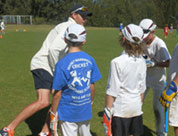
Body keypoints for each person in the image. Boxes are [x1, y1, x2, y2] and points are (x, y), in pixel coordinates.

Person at [0, 4, 92, 136]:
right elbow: (53, 50)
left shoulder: (71, 27)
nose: (84, 19)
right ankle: (8, 129)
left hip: (47, 65)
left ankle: (44, 131)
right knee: (43, 101)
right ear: (73, 15)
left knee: (57, 99)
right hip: (43, 64)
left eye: (85, 16)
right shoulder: (68, 27)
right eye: (82, 16)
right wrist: (58, 72)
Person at [49, 23, 101, 136]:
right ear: (83, 42)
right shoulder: (90, 60)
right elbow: (92, 85)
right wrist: (90, 102)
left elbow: (57, 93)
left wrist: (53, 113)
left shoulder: (61, 64)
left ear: (65, 39)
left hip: (67, 112)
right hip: (84, 109)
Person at [103, 24, 146, 136]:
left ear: (123, 39)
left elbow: (112, 91)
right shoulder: (142, 61)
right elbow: (142, 89)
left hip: (120, 111)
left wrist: (107, 115)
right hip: (136, 109)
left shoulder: (117, 62)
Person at [139, 18, 171, 136]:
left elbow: (169, 62)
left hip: (158, 81)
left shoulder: (160, 43)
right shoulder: (141, 41)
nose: (144, 37)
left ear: (153, 31)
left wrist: (155, 64)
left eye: (147, 34)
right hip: (144, 79)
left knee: (157, 108)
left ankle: (161, 133)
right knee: (137, 103)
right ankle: (134, 128)